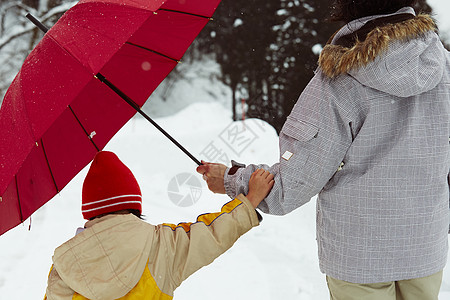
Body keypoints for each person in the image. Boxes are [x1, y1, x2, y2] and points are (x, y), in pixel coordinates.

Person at [197, 1, 450, 299]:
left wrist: (231, 179)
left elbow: (294, 183)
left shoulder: (342, 77)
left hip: (359, 257)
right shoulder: (444, 66)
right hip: (425, 247)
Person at [44, 151, 274, 300]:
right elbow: (213, 234)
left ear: (91, 210)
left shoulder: (63, 268)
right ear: (134, 204)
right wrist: (250, 200)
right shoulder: (161, 245)